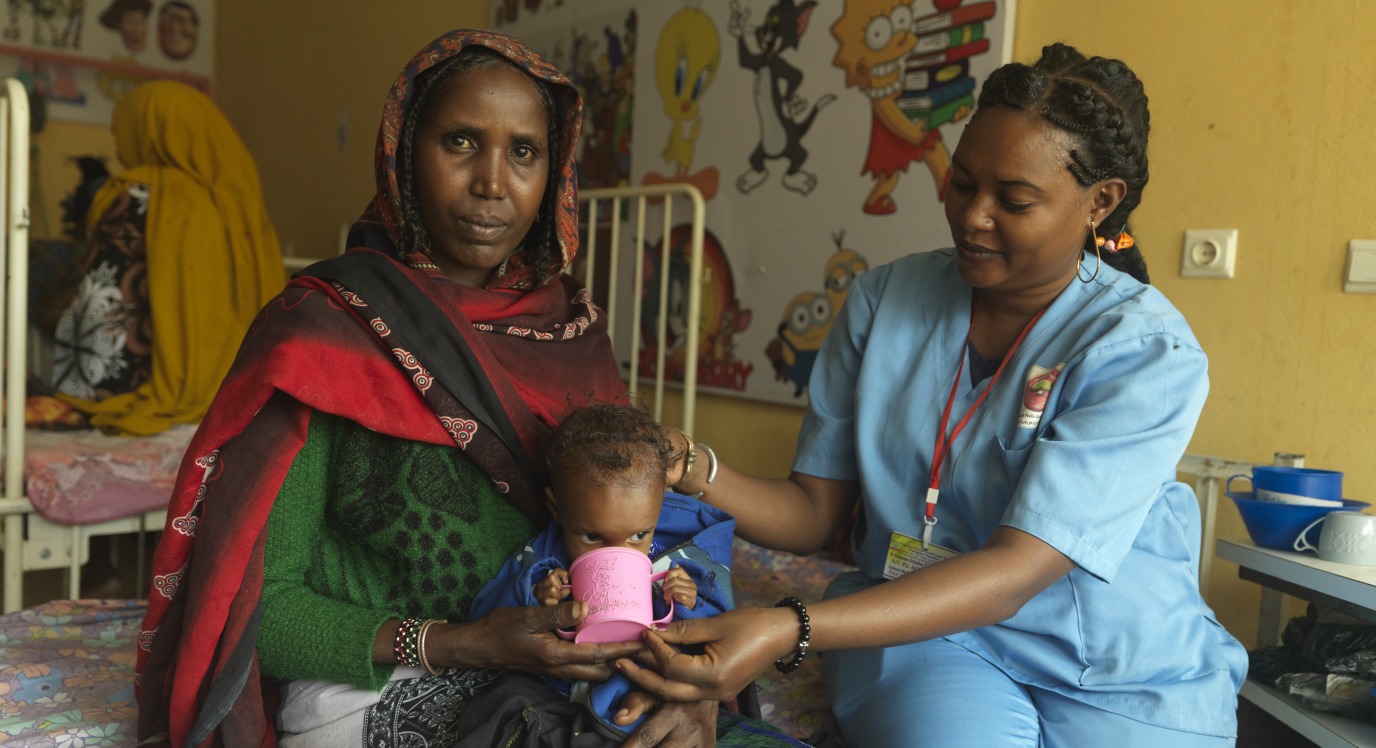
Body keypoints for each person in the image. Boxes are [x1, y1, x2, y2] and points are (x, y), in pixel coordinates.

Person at [134, 30, 794, 748]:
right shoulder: (323, 335)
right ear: (404, 152)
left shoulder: (572, 339)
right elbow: (263, 612)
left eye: (523, 152)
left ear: (553, 174)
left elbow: (636, 542)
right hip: (384, 679)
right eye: (459, 142)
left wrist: (680, 685)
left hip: (567, 676)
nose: (492, 183)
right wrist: (465, 643)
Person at [620, 43, 1249, 747]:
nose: (973, 217)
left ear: (1099, 202)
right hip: (920, 633)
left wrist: (786, 627)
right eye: (962, 184)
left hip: (1117, 662)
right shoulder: (884, 300)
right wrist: (689, 464)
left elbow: (1014, 573)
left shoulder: (1142, 349)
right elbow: (812, 511)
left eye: (1013, 200)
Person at [467, 403, 742, 742]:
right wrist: (536, 596)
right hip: (555, 692)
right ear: (557, 507)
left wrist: (687, 600)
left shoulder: (678, 550)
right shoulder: (543, 555)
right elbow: (486, 614)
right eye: (593, 537)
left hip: (642, 682)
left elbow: (718, 628)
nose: (617, 554)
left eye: (639, 535)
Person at [46, 80, 286, 436]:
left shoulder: (136, 195)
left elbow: (98, 305)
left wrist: (75, 392)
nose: (118, 146)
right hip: (246, 391)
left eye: (121, 134)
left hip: (130, 384)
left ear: (149, 132)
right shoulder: (243, 207)